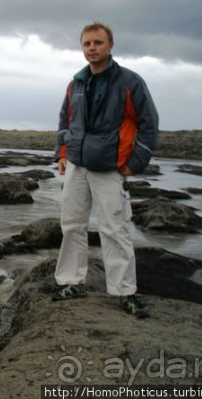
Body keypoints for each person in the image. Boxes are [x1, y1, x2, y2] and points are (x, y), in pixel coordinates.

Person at [52, 21, 159, 318]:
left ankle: (125, 292)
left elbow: (149, 124)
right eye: (87, 44)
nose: (92, 48)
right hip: (77, 165)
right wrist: (62, 153)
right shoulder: (76, 84)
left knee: (115, 229)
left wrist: (135, 163)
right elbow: (65, 122)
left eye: (98, 43)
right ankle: (71, 282)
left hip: (110, 168)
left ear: (110, 45)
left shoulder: (129, 81)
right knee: (72, 224)